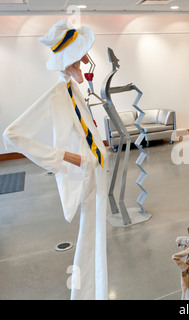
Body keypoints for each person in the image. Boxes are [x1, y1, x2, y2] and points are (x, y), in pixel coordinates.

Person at [2, 19, 108, 300]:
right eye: (82, 56)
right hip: (87, 178)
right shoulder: (59, 94)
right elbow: (11, 135)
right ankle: (88, 295)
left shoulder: (73, 92)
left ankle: (94, 292)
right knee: (90, 243)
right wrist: (62, 157)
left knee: (95, 244)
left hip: (96, 174)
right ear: (71, 59)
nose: (86, 61)